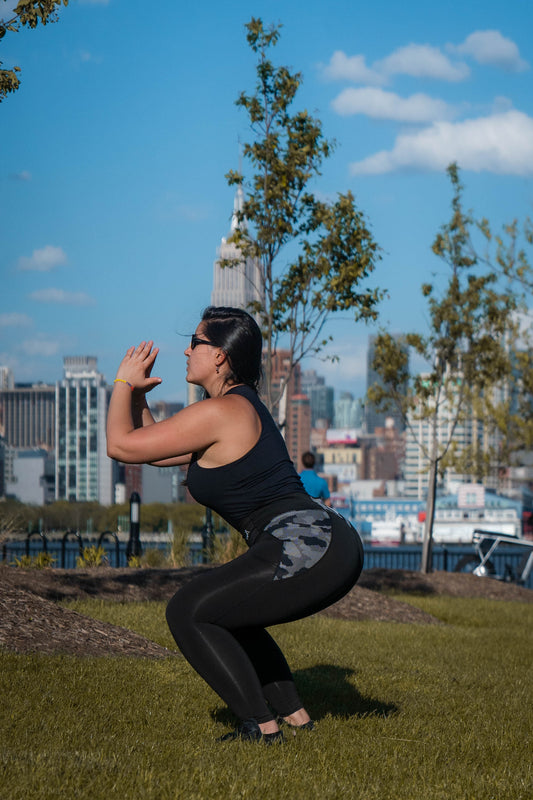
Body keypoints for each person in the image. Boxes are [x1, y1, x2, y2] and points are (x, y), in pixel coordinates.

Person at [107, 306, 364, 745]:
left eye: (196, 342)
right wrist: (138, 399)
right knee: (229, 613)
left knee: (187, 610)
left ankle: (260, 729)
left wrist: (122, 382)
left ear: (221, 355)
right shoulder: (232, 409)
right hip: (326, 540)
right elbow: (155, 450)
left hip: (306, 541)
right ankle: (296, 719)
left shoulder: (224, 410)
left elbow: (120, 445)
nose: (187, 351)